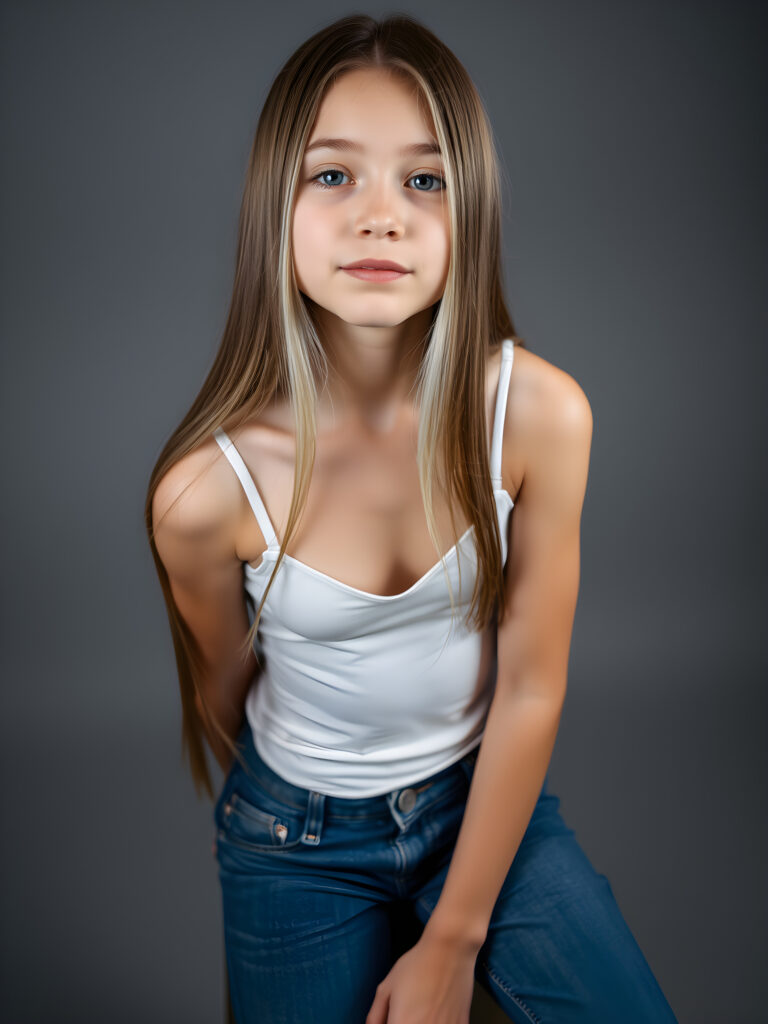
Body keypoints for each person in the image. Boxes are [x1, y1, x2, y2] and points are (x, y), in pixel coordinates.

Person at [145, 14, 678, 1024]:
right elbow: (226, 694)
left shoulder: (539, 415)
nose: (381, 217)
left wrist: (451, 937)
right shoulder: (204, 493)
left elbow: (530, 683)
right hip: (292, 841)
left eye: (424, 179)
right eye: (334, 175)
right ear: (275, 208)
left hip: (478, 802)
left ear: (469, 208)